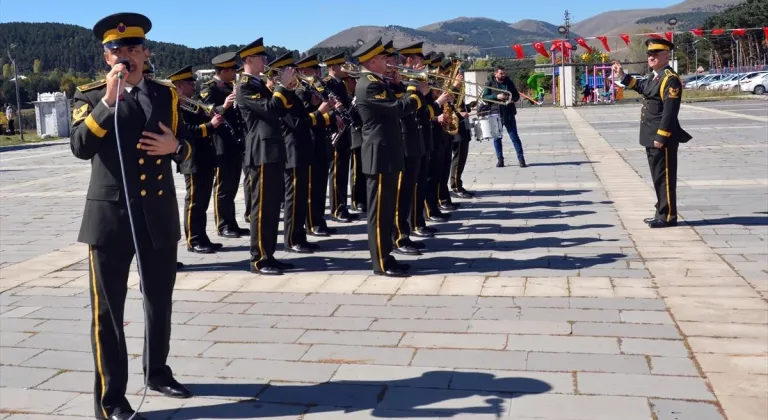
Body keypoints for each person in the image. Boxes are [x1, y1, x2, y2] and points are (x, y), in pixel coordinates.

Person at [70, 12, 193, 420]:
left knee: (160, 301)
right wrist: (107, 102)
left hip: (157, 214)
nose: (126, 55)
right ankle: (111, 399)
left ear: (146, 53)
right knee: (108, 313)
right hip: (110, 220)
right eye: (116, 50)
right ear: (106, 58)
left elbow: (190, 147)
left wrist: (176, 147)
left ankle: (157, 372)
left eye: (133, 48)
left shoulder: (166, 94)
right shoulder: (90, 96)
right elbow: (80, 146)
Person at [353, 37, 452, 278]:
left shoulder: (378, 82)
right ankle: (381, 263)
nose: (389, 62)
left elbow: (396, 104)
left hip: (388, 152)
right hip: (379, 154)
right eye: (384, 59)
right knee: (379, 214)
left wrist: (405, 85)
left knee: (387, 210)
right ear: (373, 60)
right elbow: (399, 109)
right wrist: (415, 90)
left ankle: (387, 256)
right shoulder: (369, 84)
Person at [613, 38, 691, 229]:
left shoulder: (670, 79)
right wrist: (622, 75)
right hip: (651, 136)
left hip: (661, 138)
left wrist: (661, 136)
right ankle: (661, 211)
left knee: (664, 177)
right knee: (657, 177)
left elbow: (670, 112)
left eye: (656, 54)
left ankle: (668, 215)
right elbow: (642, 87)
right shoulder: (656, 75)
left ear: (666, 55)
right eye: (649, 54)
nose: (651, 57)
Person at [235, 38, 296, 275]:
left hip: (271, 151)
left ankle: (269, 254)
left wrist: (287, 87)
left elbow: (280, 109)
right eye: (262, 58)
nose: (266, 62)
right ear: (249, 60)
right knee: (261, 210)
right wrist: (282, 86)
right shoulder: (245, 87)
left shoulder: (259, 84)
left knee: (271, 208)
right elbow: (271, 110)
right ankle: (258, 259)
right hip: (259, 153)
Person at [272, 52, 332, 254]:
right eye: (291, 72)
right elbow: (297, 123)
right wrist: (319, 113)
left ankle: (299, 236)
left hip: (301, 150)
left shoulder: (290, 94)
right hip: (293, 151)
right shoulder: (283, 97)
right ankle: (291, 240)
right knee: (294, 199)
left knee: (300, 198)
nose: (296, 75)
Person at [168, 65, 224, 254]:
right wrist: (210, 125)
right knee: (194, 201)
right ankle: (193, 239)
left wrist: (208, 116)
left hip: (205, 156)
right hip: (191, 157)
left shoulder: (192, 103)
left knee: (203, 200)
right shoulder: (176, 107)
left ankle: (202, 236)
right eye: (189, 83)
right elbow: (185, 131)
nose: (193, 85)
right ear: (179, 86)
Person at [200, 51, 249, 238]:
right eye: (232, 71)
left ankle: (232, 223)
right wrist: (225, 106)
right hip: (220, 144)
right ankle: (223, 225)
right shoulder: (209, 88)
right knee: (222, 187)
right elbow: (206, 112)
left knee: (232, 185)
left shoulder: (231, 86)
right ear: (223, 70)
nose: (235, 74)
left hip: (235, 143)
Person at [295, 54, 336, 237]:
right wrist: (322, 111)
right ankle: (312, 223)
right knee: (312, 186)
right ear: (303, 72)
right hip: (311, 142)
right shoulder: (300, 91)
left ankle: (319, 219)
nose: (317, 73)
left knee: (320, 185)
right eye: (313, 70)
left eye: (317, 70)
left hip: (322, 141)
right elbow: (305, 119)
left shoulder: (317, 88)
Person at [323, 52, 358, 223]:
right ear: (334, 67)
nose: (346, 68)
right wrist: (333, 111)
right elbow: (323, 106)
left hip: (346, 132)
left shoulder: (341, 85)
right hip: (335, 132)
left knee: (343, 171)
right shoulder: (326, 84)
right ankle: (337, 209)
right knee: (337, 172)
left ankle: (342, 206)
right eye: (342, 65)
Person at [482, 66, 525, 168]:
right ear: (495, 74)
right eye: (501, 73)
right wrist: (496, 97)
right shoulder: (490, 83)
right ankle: (500, 160)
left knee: (514, 137)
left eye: (504, 73)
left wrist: (511, 100)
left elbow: (516, 95)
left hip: (508, 113)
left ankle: (521, 159)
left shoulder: (509, 82)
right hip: (495, 113)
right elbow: (484, 97)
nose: (503, 75)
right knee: (497, 138)